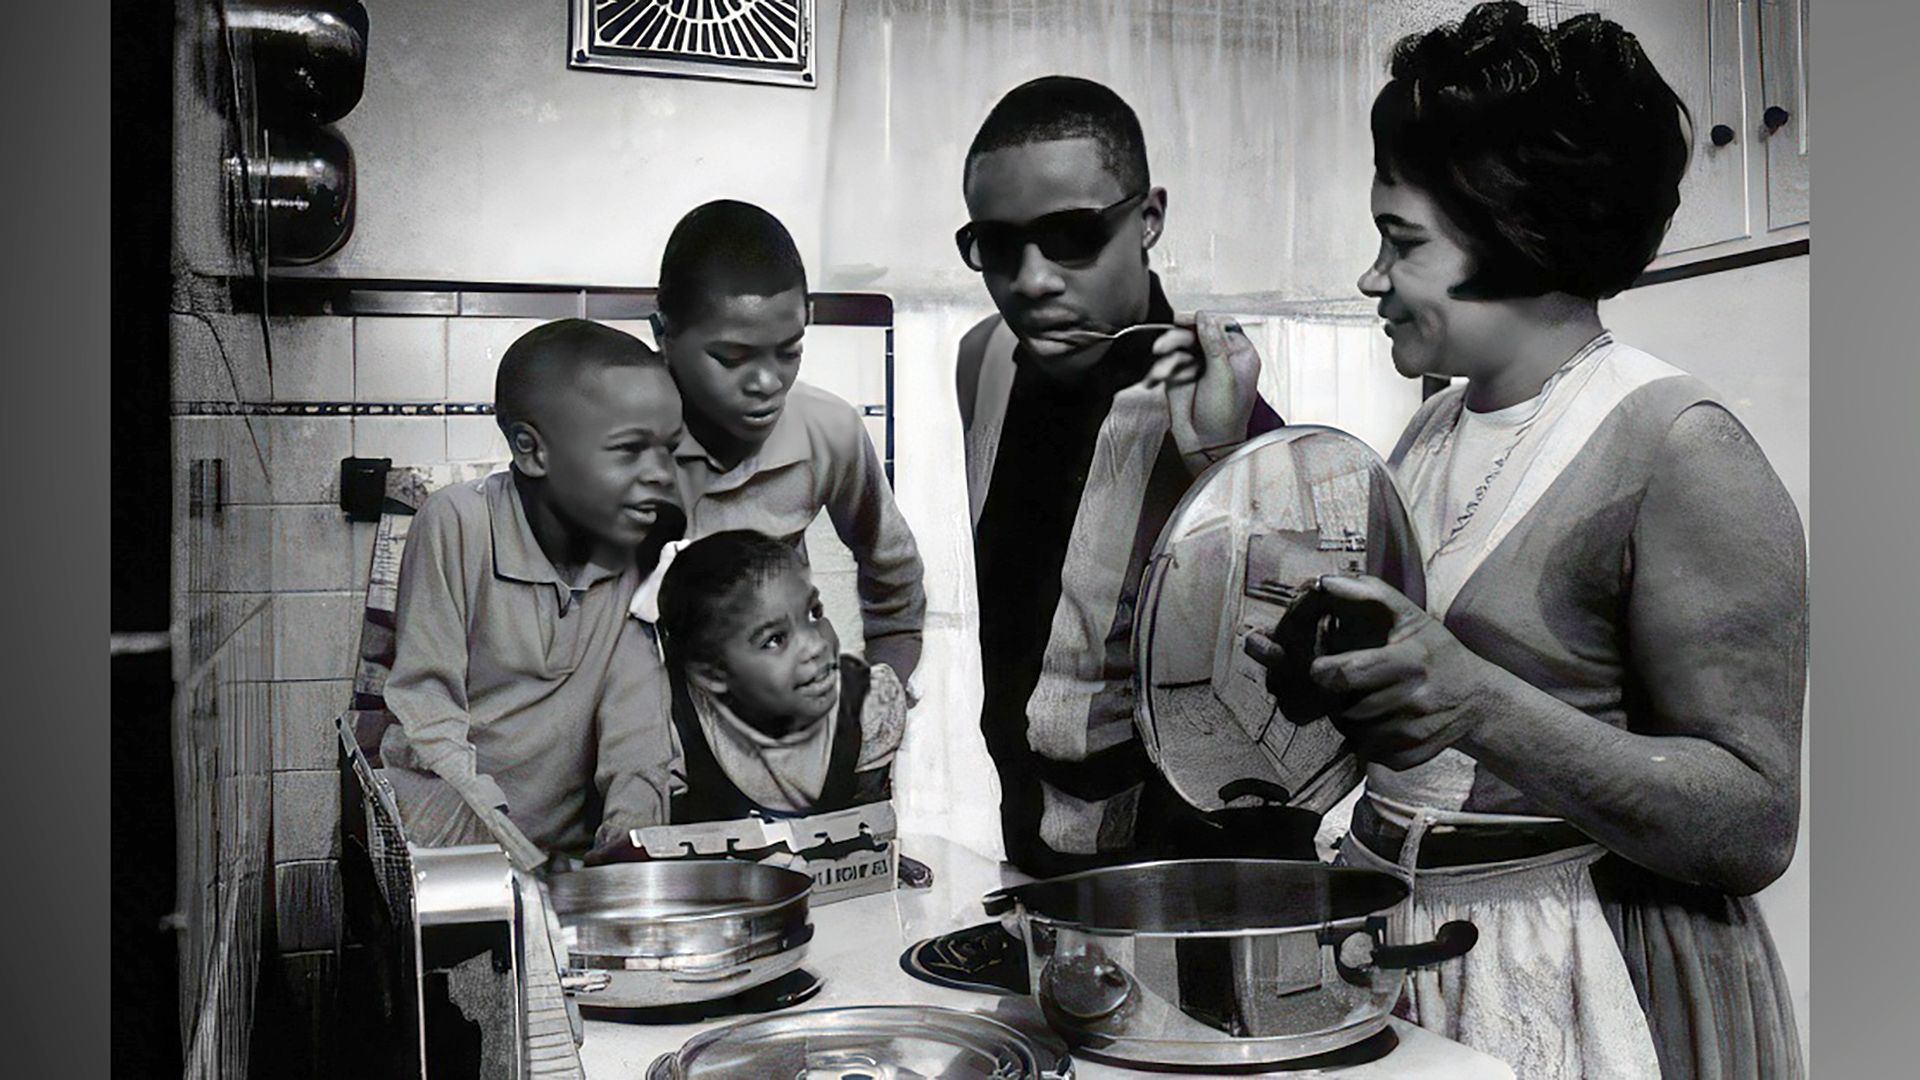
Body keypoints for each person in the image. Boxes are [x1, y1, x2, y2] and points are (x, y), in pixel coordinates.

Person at [1234, 6, 1806, 1077]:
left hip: (1589, 974)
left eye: (1401, 242)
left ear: (1519, 237)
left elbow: (1754, 827)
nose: (1371, 277)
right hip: (1421, 952)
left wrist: (1480, 703)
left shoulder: (1682, 447)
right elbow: (1431, 727)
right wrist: (1335, 689)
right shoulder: (1431, 430)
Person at [954, 75, 1298, 875]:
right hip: (1028, 844)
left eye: (1071, 235)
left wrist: (1221, 453)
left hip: (1187, 872)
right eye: (999, 247)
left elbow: (1285, 715)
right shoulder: (982, 358)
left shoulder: (1223, 405)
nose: (1032, 280)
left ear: (1149, 219)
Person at [378, 319, 682, 871]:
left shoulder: (634, 550)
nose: (659, 474)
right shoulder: (457, 524)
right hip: (452, 853)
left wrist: (624, 849)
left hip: (568, 867)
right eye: (628, 449)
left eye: (667, 449)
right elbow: (429, 730)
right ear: (531, 451)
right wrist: (526, 867)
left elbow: (636, 733)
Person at [652, 200, 927, 685]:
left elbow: (894, 579)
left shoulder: (828, 430)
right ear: (663, 337)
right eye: (731, 357)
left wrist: (880, 690)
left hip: (776, 715)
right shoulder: (618, 441)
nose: (766, 382)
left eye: (789, 351)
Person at [650, 530, 908, 822]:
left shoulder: (865, 705)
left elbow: (872, 840)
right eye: (773, 639)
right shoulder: (670, 721)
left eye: (812, 614)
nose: (816, 646)